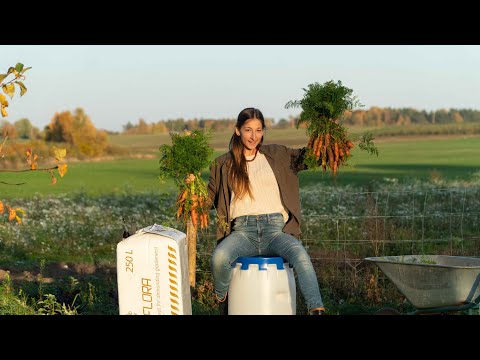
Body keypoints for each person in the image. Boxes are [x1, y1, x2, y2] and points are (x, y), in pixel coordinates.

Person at [207, 107, 325, 315]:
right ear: (237, 131)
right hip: (243, 233)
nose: (254, 136)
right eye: (248, 130)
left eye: (259, 130)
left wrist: (324, 133)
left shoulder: (277, 155)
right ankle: (220, 294)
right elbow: (208, 199)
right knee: (219, 257)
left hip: (275, 232)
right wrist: (191, 193)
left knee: (300, 255)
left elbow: (309, 158)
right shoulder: (223, 164)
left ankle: (316, 308)